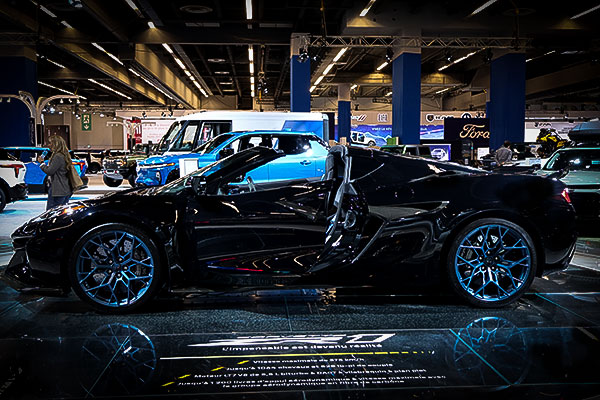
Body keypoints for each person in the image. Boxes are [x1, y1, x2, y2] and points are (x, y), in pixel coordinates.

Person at [38, 135, 74, 210]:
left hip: (58, 190)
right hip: (65, 189)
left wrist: (42, 163)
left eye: (50, 143)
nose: (48, 145)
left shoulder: (58, 156)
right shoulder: (64, 155)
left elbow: (50, 171)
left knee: (51, 213)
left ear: (56, 144)